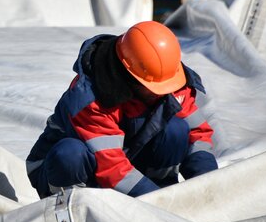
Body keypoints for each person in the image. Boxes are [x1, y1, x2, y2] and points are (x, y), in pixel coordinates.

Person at [25, 21, 217, 198]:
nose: (162, 94)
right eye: (154, 89)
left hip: (125, 157)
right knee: (70, 154)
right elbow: (111, 165)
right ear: (129, 73)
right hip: (67, 168)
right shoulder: (90, 99)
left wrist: (208, 187)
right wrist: (157, 203)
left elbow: (197, 134)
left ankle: (161, 186)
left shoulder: (167, 79)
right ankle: (75, 209)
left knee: (176, 129)